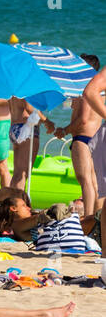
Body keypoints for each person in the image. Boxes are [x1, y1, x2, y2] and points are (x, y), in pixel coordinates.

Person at [58, 66, 103, 218]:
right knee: (93, 182)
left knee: (85, 181)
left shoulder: (86, 91)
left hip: (83, 138)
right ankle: (96, 216)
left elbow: (83, 120)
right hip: (96, 138)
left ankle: (89, 217)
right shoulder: (100, 91)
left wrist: (64, 130)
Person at [0, 186, 100, 242]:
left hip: (86, 230)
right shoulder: (18, 226)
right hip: (87, 230)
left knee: (94, 217)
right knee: (97, 217)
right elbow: (41, 218)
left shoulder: (22, 226)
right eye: (24, 206)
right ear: (13, 209)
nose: (29, 208)